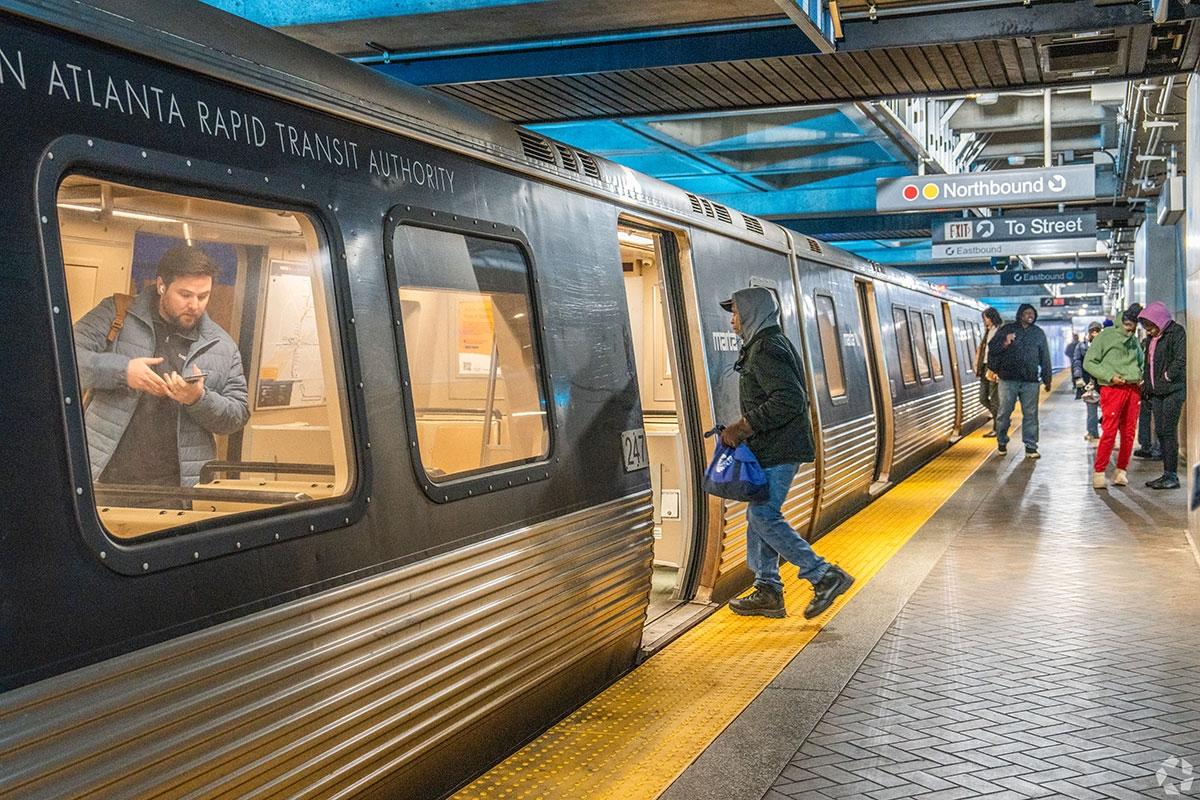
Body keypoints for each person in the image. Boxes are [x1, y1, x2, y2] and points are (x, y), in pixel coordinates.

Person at [718, 287, 854, 620]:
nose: (733, 320)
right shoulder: (762, 344)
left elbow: (789, 401)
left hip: (780, 448)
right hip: (771, 447)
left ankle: (823, 574)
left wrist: (742, 426)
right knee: (758, 515)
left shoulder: (766, 348)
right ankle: (768, 590)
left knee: (763, 516)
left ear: (752, 312)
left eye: (736, 312)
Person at [74, 245, 250, 495]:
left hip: (180, 489)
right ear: (161, 286)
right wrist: (123, 371)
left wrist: (198, 399)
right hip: (102, 479)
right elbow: (62, 361)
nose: (195, 305)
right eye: (185, 295)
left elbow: (238, 415)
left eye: (203, 296)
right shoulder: (117, 313)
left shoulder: (222, 345)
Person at [1083, 307, 1145, 490]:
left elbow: (1140, 361)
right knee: (1109, 430)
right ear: (1120, 322)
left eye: (1133, 328)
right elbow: (1089, 362)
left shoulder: (1133, 340)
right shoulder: (1105, 336)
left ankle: (1121, 471)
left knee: (1129, 433)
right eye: (1127, 326)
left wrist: (1140, 375)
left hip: (1133, 388)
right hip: (1112, 388)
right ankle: (1099, 472)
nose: (1130, 330)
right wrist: (1110, 376)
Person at [987, 303, 1052, 458]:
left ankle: (1031, 446)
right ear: (1020, 314)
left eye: (1033, 313)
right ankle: (1001, 441)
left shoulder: (1038, 333)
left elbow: (1045, 357)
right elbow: (992, 348)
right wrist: (1005, 342)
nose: (1031, 316)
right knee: (1004, 412)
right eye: (1027, 313)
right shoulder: (1007, 330)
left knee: (1031, 414)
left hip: (1030, 380)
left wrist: (1047, 378)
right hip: (1008, 379)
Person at [1138, 302, 1186, 489]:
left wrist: (1167, 376)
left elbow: (1180, 358)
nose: (1149, 331)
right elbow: (1148, 363)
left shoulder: (1176, 332)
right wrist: (1147, 383)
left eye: (1151, 327)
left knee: (1168, 431)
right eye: (1147, 328)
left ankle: (1171, 475)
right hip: (1156, 392)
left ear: (1160, 320)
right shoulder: (1152, 339)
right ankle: (1166, 473)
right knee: (1160, 431)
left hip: (1173, 390)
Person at [1072, 321, 1103, 443]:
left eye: (1097, 331)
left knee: (1108, 410)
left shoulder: (1105, 345)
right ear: (1089, 332)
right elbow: (1077, 362)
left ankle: (1107, 431)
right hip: (1089, 382)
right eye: (1092, 331)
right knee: (1091, 409)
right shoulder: (1081, 346)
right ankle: (1092, 432)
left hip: (1104, 381)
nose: (1094, 333)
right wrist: (1078, 377)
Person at [975, 307, 1003, 437]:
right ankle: (1002, 419)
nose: (984, 321)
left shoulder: (1000, 331)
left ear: (991, 317)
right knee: (983, 398)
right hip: (984, 367)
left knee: (994, 399)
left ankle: (997, 429)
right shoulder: (988, 331)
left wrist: (998, 370)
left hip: (994, 368)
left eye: (985, 318)